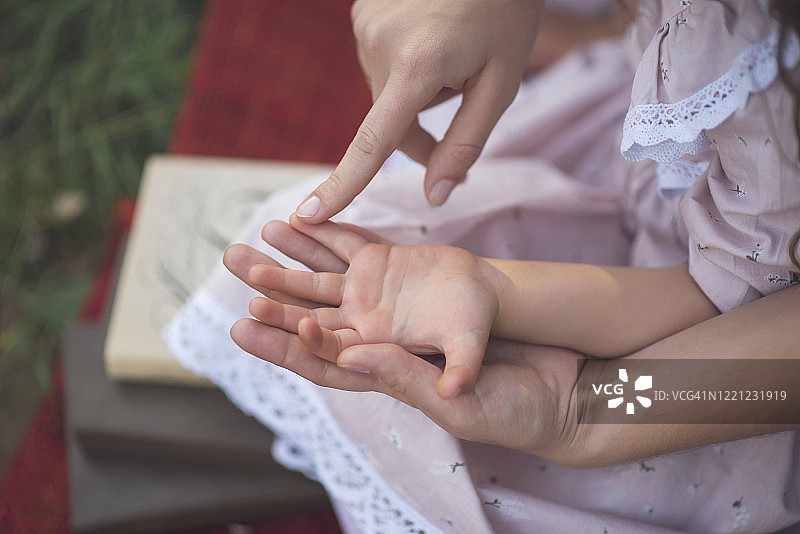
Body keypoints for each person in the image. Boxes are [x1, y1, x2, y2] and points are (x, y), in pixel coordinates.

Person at [165, 0, 800, 531]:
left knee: (475, 452)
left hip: (718, 374)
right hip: (656, 184)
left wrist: (578, 410)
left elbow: (730, 303)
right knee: (341, 268)